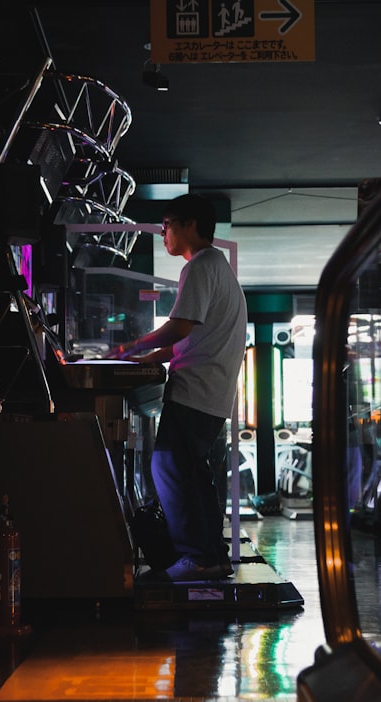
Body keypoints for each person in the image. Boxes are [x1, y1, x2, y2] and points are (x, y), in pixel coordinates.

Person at [107, 193, 247, 582]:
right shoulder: (216, 268)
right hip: (211, 393)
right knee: (192, 473)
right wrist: (148, 358)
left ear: (189, 225)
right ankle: (211, 554)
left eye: (167, 224)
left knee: (167, 466)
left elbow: (180, 327)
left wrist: (130, 346)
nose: (163, 233)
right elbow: (188, 339)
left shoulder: (201, 266)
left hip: (197, 391)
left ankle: (197, 557)